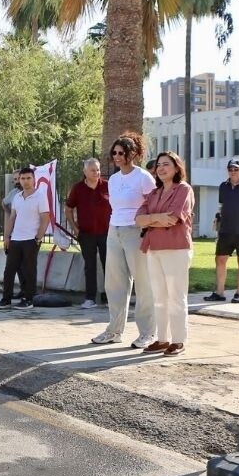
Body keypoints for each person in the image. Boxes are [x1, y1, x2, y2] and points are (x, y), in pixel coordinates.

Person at [91, 134, 157, 348]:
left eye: (122, 153)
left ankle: (148, 333)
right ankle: (114, 330)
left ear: (133, 154)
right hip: (114, 230)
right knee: (114, 284)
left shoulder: (143, 177)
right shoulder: (115, 180)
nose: (117, 157)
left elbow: (153, 204)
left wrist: (146, 228)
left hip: (135, 231)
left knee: (143, 282)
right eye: (115, 153)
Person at [135, 152, 194, 356]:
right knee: (159, 296)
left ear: (177, 168)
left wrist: (151, 218)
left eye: (166, 164)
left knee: (176, 295)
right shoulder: (154, 193)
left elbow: (174, 218)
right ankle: (162, 339)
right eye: (158, 165)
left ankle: (178, 340)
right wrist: (157, 217)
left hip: (176, 248)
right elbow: (138, 219)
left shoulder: (183, 189)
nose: (161, 168)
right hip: (153, 248)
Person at [0, 167, 50, 310]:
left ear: (34, 179)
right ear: (19, 180)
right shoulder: (17, 197)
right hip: (16, 239)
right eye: (23, 178)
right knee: (9, 270)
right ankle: (6, 299)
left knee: (29, 270)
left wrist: (38, 238)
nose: (26, 181)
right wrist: (7, 237)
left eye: (28, 178)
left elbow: (45, 218)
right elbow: (12, 217)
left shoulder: (40, 196)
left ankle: (28, 299)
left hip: (31, 239)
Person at [65, 158, 111, 309]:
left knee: (109, 265)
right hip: (86, 233)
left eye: (98, 169)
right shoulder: (78, 188)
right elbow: (69, 209)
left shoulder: (108, 186)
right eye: (92, 170)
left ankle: (110, 297)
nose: (96, 172)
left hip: (107, 233)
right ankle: (90, 298)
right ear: (85, 172)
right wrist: (74, 227)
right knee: (89, 265)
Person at [205, 159, 239, 303]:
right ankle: (219, 293)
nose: (233, 172)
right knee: (220, 259)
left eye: (236, 169)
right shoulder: (223, 186)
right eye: (230, 169)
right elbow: (222, 206)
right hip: (226, 231)